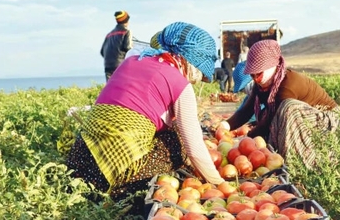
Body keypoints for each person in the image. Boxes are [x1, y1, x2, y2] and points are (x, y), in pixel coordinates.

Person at [67, 21, 224, 205]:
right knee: (178, 143)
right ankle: (124, 192)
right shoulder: (179, 83)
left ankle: (93, 190)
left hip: (80, 163)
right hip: (115, 174)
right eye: (200, 71)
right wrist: (219, 184)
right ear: (190, 60)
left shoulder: (131, 62)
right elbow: (194, 147)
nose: (198, 79)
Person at [223, 39, 340, 167]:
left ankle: (300, 163)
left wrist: (246, 139)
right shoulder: (262, 85)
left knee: (287, 107)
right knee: (269, 113)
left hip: (327, 124)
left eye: (258, 74)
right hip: (306, 121)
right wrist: (225, 126)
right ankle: (276, 157)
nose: (255, 79)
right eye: (252, 75)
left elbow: (271, 119)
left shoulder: (288, 84)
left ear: (272, 67)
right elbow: (246, 110)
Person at [100, 10, 132, 81]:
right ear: (126, 21)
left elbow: (102, 52)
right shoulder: (126, 32)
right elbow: (128, 48)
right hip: (119, 66)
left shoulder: (109, 35)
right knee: (122, 87)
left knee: (110, 88)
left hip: (108, 66)